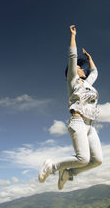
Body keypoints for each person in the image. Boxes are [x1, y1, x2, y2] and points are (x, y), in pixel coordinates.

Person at [38, 25, 103, 190]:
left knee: (97, 161)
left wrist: (89, 57)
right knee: (83, 159)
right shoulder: (72, 81)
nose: (82, 70)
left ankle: (68, 174)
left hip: (90, 126)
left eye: (82, 69)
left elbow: (95, 72)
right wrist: (73, 36)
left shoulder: (88, 84)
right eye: (79, 69)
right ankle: (51, 167)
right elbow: (72, 57)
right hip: (78, 122)